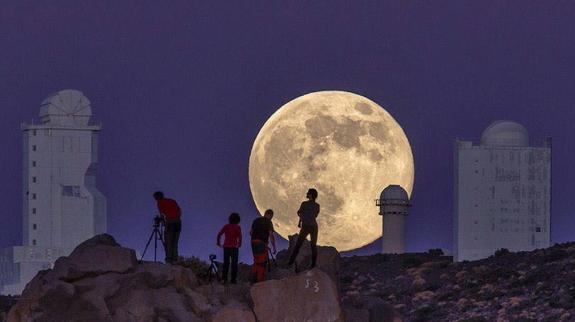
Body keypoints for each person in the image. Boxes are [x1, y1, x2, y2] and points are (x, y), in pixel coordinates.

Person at [288, 188, 320, 269]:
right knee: (312, 245)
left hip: (307, 226)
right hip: (312, 226)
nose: (307, 194)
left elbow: (300, 213)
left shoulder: (305, 204)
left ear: (311, 194)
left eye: (308, 193)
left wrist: (300, 222)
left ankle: (291, 262)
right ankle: (312, 264)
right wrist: (300, 221)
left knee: (299, 245)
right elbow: (315, 215)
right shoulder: (317, 206)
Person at [153, 191, 182, 264]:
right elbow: (179, 211)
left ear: (157, 197)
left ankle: (169, 260)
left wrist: (162, 222)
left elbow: (162, 215)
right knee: (175, 243)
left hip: (170, 222)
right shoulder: (172, 201)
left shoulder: (160, 202)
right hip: (178, 222)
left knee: (168, 242)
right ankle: (175, 260)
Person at [250, 209, 276, 282]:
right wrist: (273, 246)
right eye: (271, 216)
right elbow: (271, 234)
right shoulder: (268, 222)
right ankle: (259, 282)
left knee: (256, 260)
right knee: (262, 262)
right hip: (261, 243)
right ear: (269, 215)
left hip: (253, 242)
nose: (271, 218)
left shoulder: (256, 220)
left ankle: (253, 278)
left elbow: (251, 232)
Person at [216, 212, 242, 284]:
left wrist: (218, 242)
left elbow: (219, 234)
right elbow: (240, 236)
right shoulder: (237, 227)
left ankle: (224, 278)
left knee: (226, 263)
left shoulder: (226, 226)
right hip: (234, 247)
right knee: (234, 263)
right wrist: (239, 244)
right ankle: (233, 280)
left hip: (226, 247)